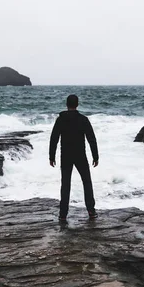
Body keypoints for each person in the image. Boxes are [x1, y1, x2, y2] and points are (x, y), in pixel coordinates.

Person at [49, 94, 99, 222]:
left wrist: (51, 156)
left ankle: (63, 214)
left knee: (65, 185)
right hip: (80, 155)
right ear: (77, 104)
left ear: (67, 104)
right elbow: (91, 139)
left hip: (66, 156)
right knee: (86, 182)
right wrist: (95, 156)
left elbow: (54, 138)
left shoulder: (60, 119)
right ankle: (91, 211)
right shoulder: (83, 119)